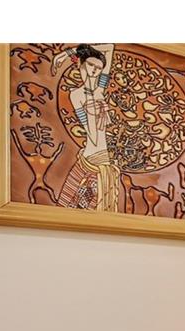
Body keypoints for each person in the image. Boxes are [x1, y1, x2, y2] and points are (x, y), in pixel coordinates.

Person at [53, 44, 120, 211]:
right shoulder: (76, 95)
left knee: (92, 209)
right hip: (89, 159)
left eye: (99, 67)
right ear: (80, 64)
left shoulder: (100, 89)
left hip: (101, 159)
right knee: (69, 204)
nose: (95, 70)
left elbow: (110, 47)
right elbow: (92, 135)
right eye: (90, 64)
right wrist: (90, 102)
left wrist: (67, 53)